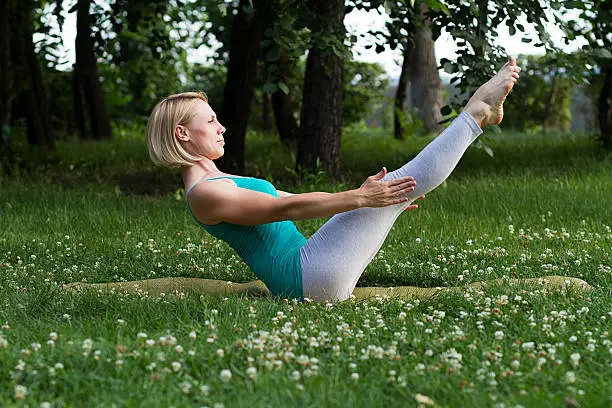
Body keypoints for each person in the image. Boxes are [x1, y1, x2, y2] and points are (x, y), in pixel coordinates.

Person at [66, 57, 590, 301]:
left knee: (396, 189)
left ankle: (477, 117)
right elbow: (281, 210)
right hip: (309, 281)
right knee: (402, 183)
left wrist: (358, 204)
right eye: (211, 122)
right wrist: (359, 198)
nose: (222, 126)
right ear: (183, 136)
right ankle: (476, 114)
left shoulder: (218, 179)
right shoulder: (204, 195)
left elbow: (289, 197)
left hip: (310, 264)